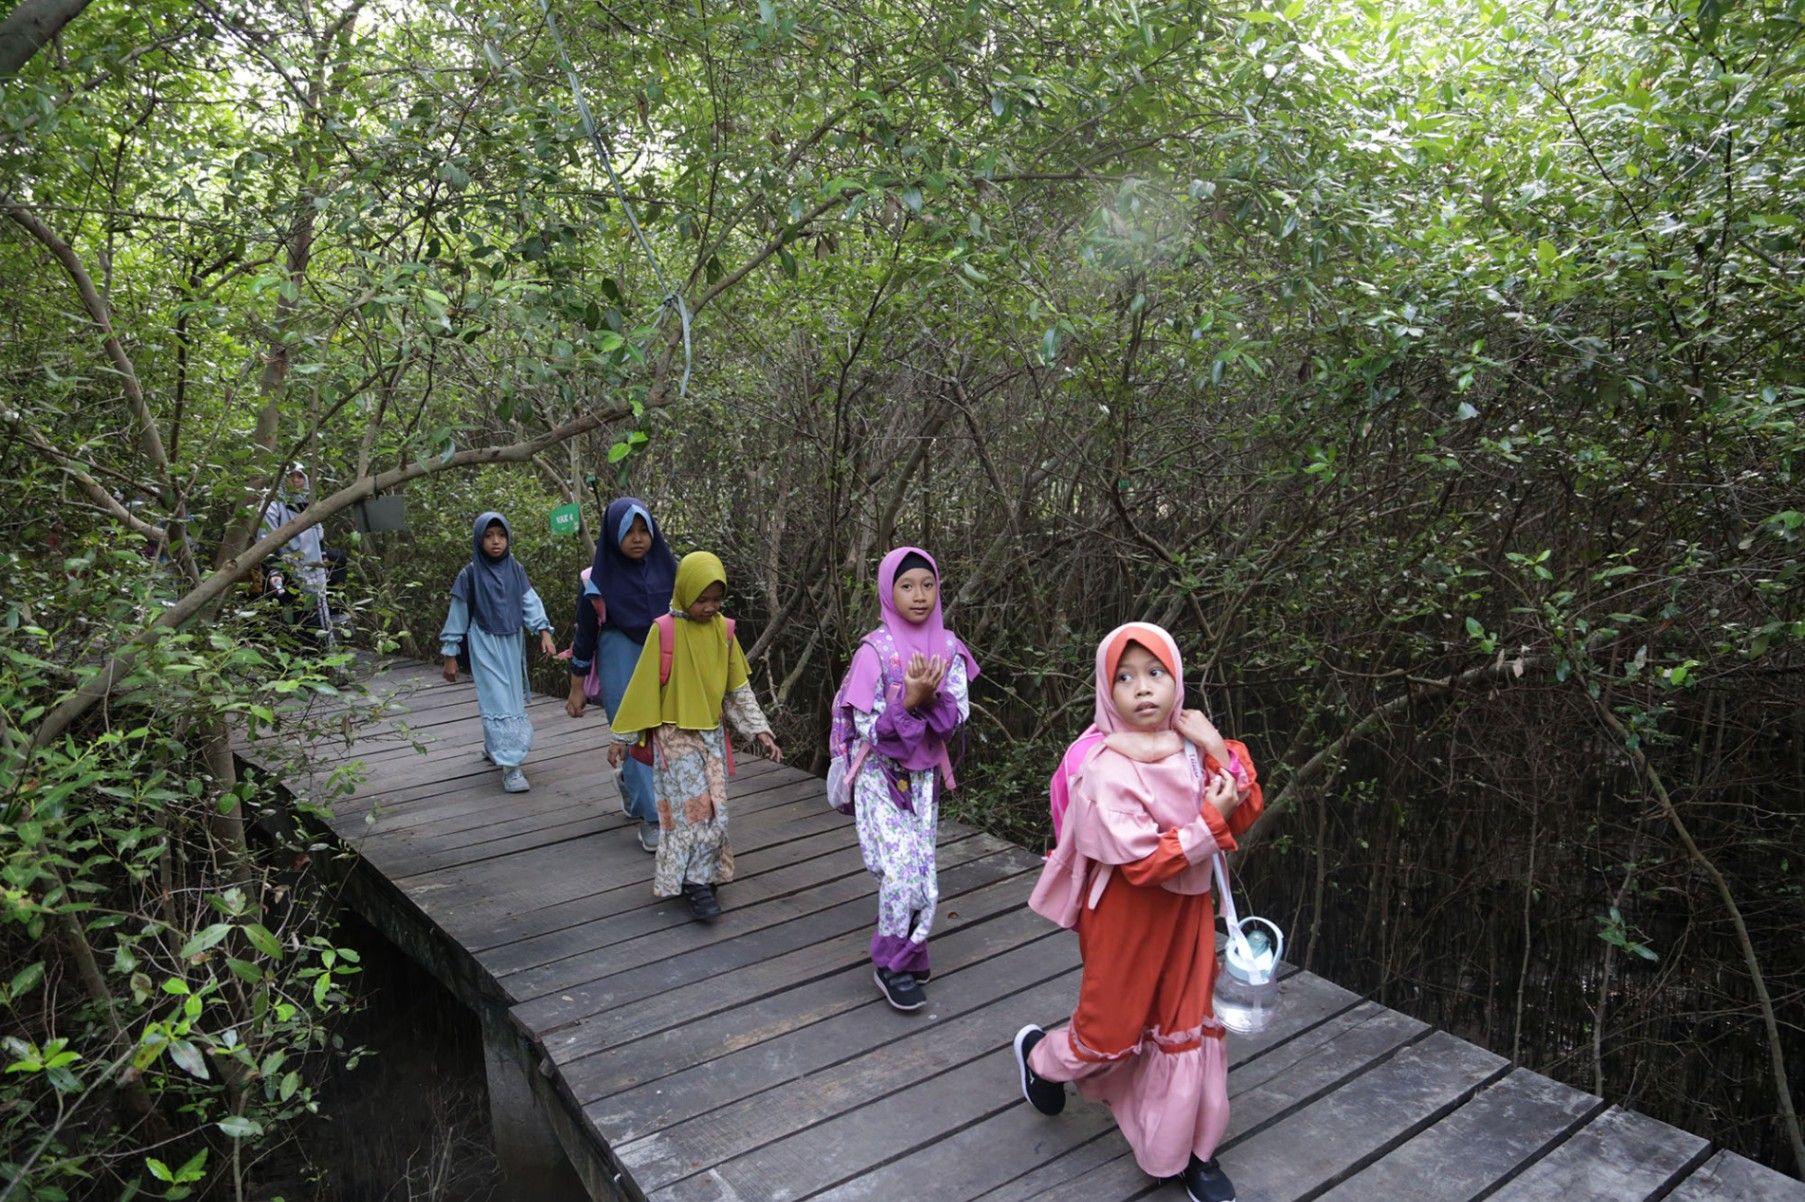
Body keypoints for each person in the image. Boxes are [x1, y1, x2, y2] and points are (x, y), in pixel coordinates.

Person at [1011, 622, 1262, 1202]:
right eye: (1124, 678)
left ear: (1177, 679)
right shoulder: (1102, 766)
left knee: (1188, 1026)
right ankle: (1041, 1057)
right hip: (1125, 917)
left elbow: (1241, 814)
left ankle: (1191, 1154)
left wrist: (1218, 750)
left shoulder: (1195, 747)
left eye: (1156, 673)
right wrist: (1208, 824)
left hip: (1187, 916)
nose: (1142, 689)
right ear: (1106, 689)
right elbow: (1142, 862)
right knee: (1111, 1029)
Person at [606, 552, 782, 921]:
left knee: (716, 808)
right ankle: (696, 884)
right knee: (692, 812)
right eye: (702, 599)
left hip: (711, 735)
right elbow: (641, 690)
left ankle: (701, 872)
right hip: (673, 736)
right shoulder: (665, 630)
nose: (709, 607)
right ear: (684, 591)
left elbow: (737, 687)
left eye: (717, 599)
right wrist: (621, 738)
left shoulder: (724, 631)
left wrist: (760, 730)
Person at [842, 547, 977, 1012]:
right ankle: (892, 962)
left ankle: (907, 951)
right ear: (887, 591)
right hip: (881, 779)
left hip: (923, 784)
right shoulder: (873, 652)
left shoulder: (949, 648)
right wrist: (910, 700)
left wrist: (929, 698)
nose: (919, 595)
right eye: (906, 586)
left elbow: (957, 715)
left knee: (919, 871)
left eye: (927, 584)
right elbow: (868, 728)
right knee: (900, 872)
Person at [565, 497, 678, 853]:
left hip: (662, 661)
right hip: (619, 661)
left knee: (663, 738)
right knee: (634, 737)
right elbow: (584, 636)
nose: (638, 537)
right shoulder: (594, 582)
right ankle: (651, 820)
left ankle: (635, 791)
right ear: (613, 534)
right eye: (628, 531)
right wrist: (576, 688)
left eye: (644, 529)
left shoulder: (671, 571)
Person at [439, 512, 558, 793]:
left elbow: (530, 601)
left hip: (512, 642)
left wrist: (544, 631)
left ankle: (496, 747)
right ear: (479, 539)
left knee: (510, 698)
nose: (496, 542)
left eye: (501, 535)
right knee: (500, 699)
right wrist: (450, 654)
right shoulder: (469, 575)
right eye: (489, 536)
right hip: (484, 642)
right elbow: (457, 615)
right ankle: (512, 767)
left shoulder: (515, 569)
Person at [259, 466, 332, 634]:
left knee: (319, 609)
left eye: (300, 476)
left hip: (313, 565)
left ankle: (325, 650)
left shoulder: (308, 502)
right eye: (292, 476)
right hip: (289, 566)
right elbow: (265, 538)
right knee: (298, 614)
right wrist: (275, 569)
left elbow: (317, 534)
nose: (296, 480)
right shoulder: (273, 503)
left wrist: (323, 557)